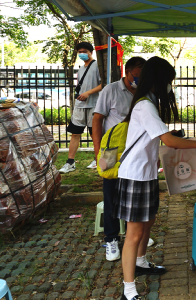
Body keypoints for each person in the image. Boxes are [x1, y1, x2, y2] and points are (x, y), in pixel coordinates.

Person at [115, 56, 196, 300]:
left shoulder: (149, 102)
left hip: (146, 174)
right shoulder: (145, 105)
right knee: (134, 233)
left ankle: (140, 262)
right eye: (169, 81)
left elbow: (159, 136)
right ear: (159, 80)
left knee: (148, 222)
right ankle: (128, 290)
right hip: (135, 176)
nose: (170, 86)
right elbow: (169, 141)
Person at [91, 56, 145, 262]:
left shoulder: (144, 91)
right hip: (112, 151)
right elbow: (97, 119)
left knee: (135, 195)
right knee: (111, 194)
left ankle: (135, 235)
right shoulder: (111, 90)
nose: (138, 79)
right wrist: (98, 150)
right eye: (136, 75)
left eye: (142, 76)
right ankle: (111, 238)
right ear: (127, 72)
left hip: (137, 151)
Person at [59, 42, 102, 173]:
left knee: (95, 135)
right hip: (80, 106)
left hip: (94, 105)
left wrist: (88, 93)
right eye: (80, 52)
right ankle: (70, 162)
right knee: (75, 133)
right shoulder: (81, 69)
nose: (82, 54)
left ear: (91, 52)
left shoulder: (97, 66)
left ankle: (97, 160)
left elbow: (103, 84)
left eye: (84, 51)